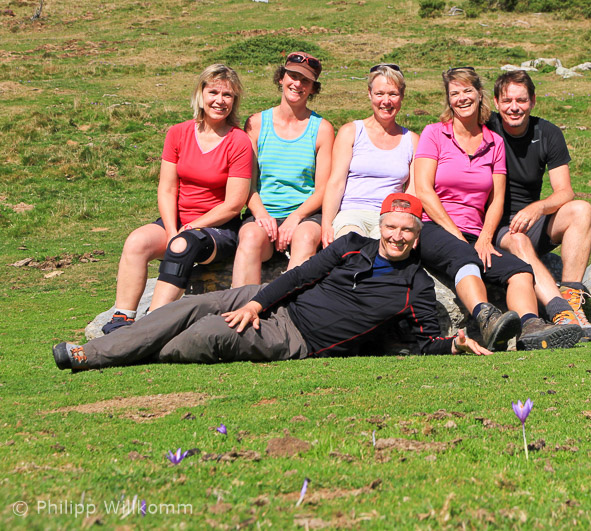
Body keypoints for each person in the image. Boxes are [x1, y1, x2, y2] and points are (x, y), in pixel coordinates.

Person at [52, 194, 490, 371]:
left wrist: (454, 344)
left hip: (293, 335)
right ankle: (89, 354)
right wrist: (258, 303)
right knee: (184, 309)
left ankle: (125, 354)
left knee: (201, 335)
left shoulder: (415, 287)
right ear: (381, 225)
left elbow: (422, 340)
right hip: (271, 302)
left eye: (407, 231)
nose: (396, 237)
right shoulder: (354, 244)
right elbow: (301, 274)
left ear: (417, 236)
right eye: (391, 227)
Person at [413, 67, 583, 352]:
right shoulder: (433, 134)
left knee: (518, 270)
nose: (462, 98)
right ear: (448, 100)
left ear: (480, 95)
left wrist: (485, 236)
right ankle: (486, 317)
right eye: (455, 93)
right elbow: (424, 191)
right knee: (464, 257)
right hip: (434, 226)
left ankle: (531, 326)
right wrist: (456, 234)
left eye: (468, 91)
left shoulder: (493, 142)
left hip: (475, 232)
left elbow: (496, 200)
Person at [101, 64, 253, 335]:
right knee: (137, 241)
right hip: (179, 223)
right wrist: (171, 229)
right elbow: (167, 189)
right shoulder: (178, 133)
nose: (220, 101)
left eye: (227, 95)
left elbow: (234, 204)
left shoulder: (238, 141)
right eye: (214, 92)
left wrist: (190, 229)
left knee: (182, 245)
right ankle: (122, 318)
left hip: (218, 229)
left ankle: (153, 326)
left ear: (235, 101)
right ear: (200, 94)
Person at [487, 70, 591, 341]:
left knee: (581, 209)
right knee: (519, 240)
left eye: (521, 100)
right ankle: (559, 312)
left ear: (533, 101)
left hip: (533, 221)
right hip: (498, 226)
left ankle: (572, 297)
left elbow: (564, 192)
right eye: (507, 100)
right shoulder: (486, 127)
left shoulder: (547, 132)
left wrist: (537, 208)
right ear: (496, 102)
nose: (514, 107)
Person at [231, 52, 334, 286]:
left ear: (312, 88)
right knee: (248, 237)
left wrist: (296, 217)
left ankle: (288, 311)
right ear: (281, 78)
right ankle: (239, 308)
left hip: (306, 214)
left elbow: (322, 189)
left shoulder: (322, 129)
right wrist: (261, 214)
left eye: (305, 80)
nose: (297, 84)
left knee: (306, 237)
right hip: (264, 212)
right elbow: (248, 182)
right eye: (293, 76)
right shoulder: (256, 123)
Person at [321, 63, 419, 246]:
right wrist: (326, 225)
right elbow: (336, 183)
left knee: (383, 251)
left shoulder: (412, 140)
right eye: (380, 94)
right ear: (370, 94)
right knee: (350, 244)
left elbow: (412, 192)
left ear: (402, 96)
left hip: (390, 218)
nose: (386, 101)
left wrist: (411, 226)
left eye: (393, 94)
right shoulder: (351, 132)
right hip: (351, 214)